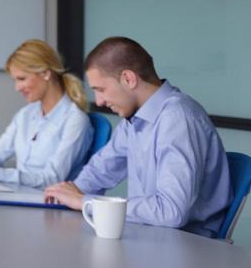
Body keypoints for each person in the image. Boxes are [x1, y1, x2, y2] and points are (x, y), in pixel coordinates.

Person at [44, 37, 231, 236]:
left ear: (128, 79)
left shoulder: (177, 119)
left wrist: (84, 202)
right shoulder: (134, 120)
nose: (98, 101)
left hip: (188, 247)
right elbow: (99, 171)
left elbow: (171, 212)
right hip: (149, 236)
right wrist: (65, 194)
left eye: (101, 89)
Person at [0, 39, 92, 188]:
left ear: (45, 73)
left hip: (47, 202)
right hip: (19, 194)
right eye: (15, 80)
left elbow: (52, 178)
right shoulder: (25, 114)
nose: (17, 88)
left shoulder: (75, 120)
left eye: (21, 79)